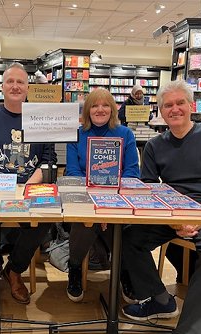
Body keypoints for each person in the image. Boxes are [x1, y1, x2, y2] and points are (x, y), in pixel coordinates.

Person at [120, 80, 201, 334]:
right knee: (127, 237)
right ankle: (160, 300)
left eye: (180, 103)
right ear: (160, 111)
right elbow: (148, 188)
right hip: (174, 210)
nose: (174, 109)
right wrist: (171, 220)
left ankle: (190, 330)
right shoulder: (155, 146)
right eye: (168, 105)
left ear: (191, 106)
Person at [0, 62, 56, 304]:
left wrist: (28, 186)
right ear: (2, 87)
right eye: (10, 81)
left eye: (20, 82)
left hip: (29, 188)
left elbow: (48, 160)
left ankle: (14, 270)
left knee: (46, 219)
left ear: (28, 87)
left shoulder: (40, 117)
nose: (15, 86)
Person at [65, 88, 140, 302]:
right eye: (95, 105)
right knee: (86, 221)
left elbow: (132, 172)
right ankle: (75, 269)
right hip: (85, 198)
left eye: (105, 105)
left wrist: (110, 204)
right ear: (88, 110)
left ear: (113, 109)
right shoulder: (77, 134)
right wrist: (96, 205)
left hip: (118, 198)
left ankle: (124, 270)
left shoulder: (125, 134)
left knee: (117, 223)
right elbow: (72, 172)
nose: (100, 109)